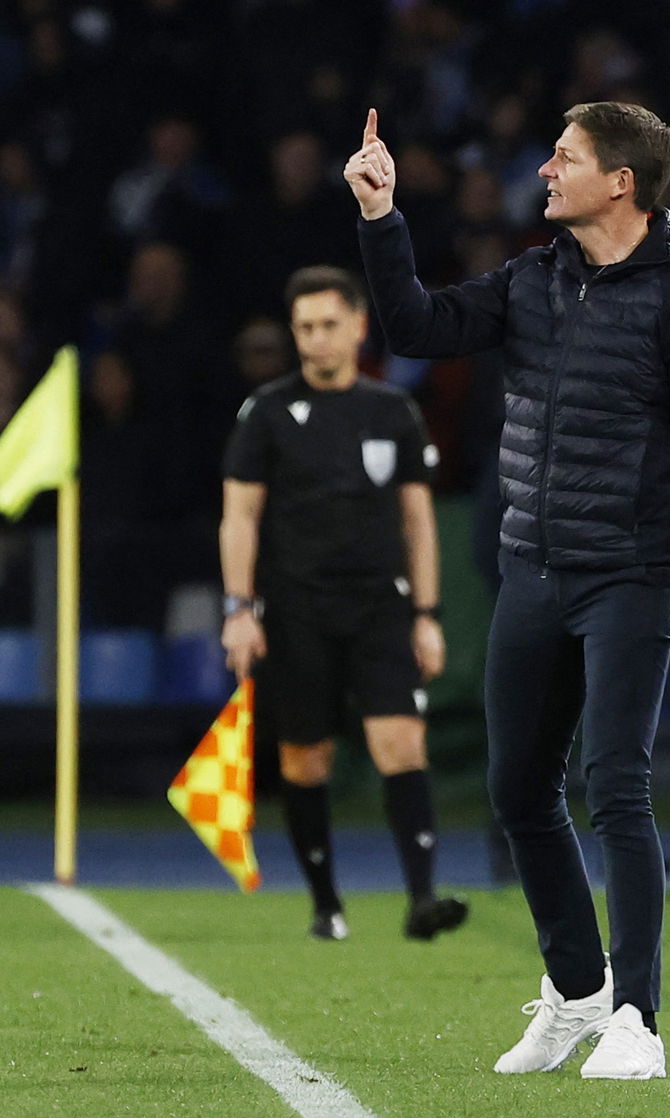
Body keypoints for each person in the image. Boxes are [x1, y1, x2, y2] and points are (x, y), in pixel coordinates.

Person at [346, 102, 670, 1080]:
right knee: (515, 791)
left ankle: (637, 1018)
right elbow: (415, 324)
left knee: (615, 786)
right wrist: (380, 218)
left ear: (620, 181)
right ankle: (575, 993)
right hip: (530, 565)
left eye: (565, 157)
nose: (544, 169)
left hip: (631, 570)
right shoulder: (533, 279)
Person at [218, 264, 468, 944]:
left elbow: (420, 522)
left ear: (359, 327)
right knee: (306, 759)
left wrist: (428, 616)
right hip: (296, 609)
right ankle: (326, 905)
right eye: (304, 328)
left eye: (329, 325)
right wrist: (239, 608)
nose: (316, 340)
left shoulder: (393, 410)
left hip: (381, 606)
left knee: (401, 743)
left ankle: (422, 898)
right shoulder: (265, 412)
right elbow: (238, 517)